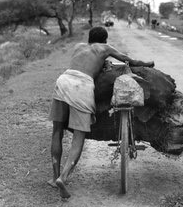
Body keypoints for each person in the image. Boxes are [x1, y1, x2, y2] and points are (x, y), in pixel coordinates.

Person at [47, 26, 154, 198]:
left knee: (57, 131)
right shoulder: (105, 48)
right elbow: (128, 60)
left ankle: (54, 177)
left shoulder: (78, 46)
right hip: (82, 87)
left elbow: (86, 62)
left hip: (63, 81)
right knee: (78, 137)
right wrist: (147, 64)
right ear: (104, 40)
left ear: (89, 38)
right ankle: (63, 177)